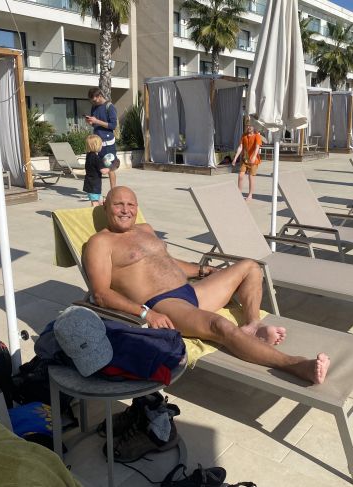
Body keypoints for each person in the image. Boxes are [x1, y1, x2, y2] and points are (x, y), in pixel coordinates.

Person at [82, 186, 330, 384]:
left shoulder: (145, 229)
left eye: (131, 204)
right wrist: (147, 313)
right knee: (219, 325)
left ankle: (253, 324)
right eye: (118, 204)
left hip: (191, 291)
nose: (125, 210)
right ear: (106, 206)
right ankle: (296, 365)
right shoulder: (100, 243)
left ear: (137, 208)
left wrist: (203, 270)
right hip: (165, 304)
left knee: (250, 267)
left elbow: (166, 262)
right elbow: (101, 294)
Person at [85, 88, 118, 190]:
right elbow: (95, 123)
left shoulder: (110, 107)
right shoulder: (94, 107)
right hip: (97, 143)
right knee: (96, 168)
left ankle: (113, 191)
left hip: (108, 144)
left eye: (94, 100)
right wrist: (91, 122)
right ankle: (96, 193)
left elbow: (113, 126)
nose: (93, 102)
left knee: (110, 168)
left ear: (99, 96)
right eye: (91, 101)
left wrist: (97, 121)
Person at [232, 124, 262, 201]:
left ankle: (250, 195)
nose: (248, 127)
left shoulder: (257, 136)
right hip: (245, 159)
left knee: (250, 177)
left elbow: (257, 147)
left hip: (254, 161)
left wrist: (254, 156)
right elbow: (240, 147)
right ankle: (239, 193)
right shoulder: (244, 135)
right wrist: (235, 158)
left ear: (254, 127)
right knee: (240, 176)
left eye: (250, 126)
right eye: (247, 126)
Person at [83, 134, 110, 206]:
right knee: (95, 203)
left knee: (100, 201)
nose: (101, 146)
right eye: (101, 144)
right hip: (94, 185)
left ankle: (100, 212)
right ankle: (95, 216)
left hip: (89, 183)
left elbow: (95, 166)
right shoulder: (96, 158)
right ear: (97, 145)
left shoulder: (89, 155)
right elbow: (103, 171)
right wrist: (111, 168)